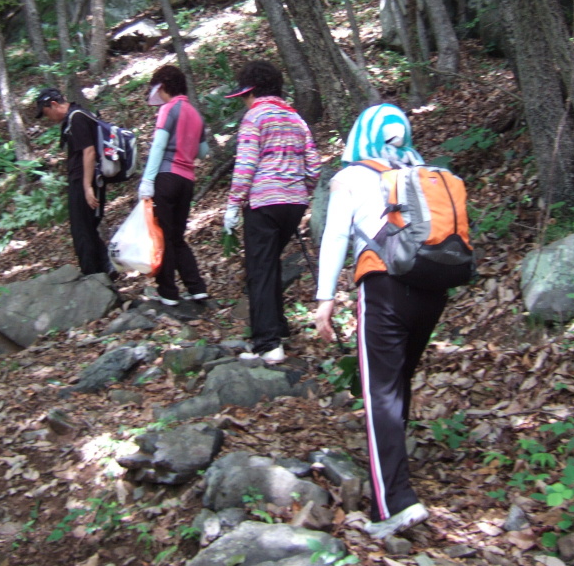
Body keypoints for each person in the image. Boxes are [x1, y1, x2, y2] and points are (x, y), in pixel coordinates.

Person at [313, 104, 441, 540]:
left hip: (384, 287)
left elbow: (334, 236)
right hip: (432, 288)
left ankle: (395, 503)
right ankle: (395, 470)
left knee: (380, 392)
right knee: (398, 382)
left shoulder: (350, 177)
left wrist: (324, 298)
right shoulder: (422, 171)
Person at [223, 61, 320, 363]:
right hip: (294, 203)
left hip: (264, 203)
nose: (243, 101)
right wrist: (300, 187)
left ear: (251, 91)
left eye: (243, 95)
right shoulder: (296, 118)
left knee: (260, 269)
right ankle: (278, 326)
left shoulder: (255, 117)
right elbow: (314, 165)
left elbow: (246, 164)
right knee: (270, 264)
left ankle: (268, 344)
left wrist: (233, 203)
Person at [138, 65, 210, 306]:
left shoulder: (169, 109)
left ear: (164, 86)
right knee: (177, 236)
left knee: (163, 236)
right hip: (187, 181)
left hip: (166, 177)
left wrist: (147, 180)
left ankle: (168, 292)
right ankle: (197, 287)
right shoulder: (195, 114)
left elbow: (158, 146)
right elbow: (203, 152)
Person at [34, 88, 115, 277]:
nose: (49, 118)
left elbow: (89, 152)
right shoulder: (78, 115)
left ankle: (92, 275)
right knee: (86, 227)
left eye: (47, 113)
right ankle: (106, 267)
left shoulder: (77, 118)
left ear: (54, 104)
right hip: (86, 179)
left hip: (84, 180)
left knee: (81, 230)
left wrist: (87, 187)